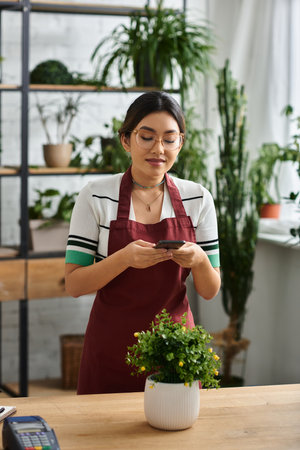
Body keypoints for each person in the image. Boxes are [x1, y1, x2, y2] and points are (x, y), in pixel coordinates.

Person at [65, 91, 221, 395]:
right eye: (146, 137)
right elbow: (74, 284)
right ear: (126, 140)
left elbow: (209, 289)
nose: (158, 149)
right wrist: (123, 258)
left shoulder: (198, 198)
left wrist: (200, 260)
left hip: (176, 354)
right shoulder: (95, 196)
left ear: (181, 142)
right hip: (111, 351)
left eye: (169, 138)